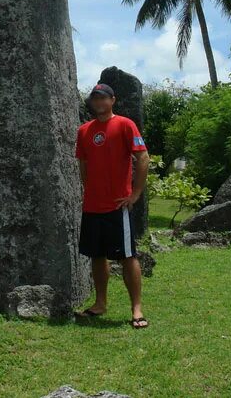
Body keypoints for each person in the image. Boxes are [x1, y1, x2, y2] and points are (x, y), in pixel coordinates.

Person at [73, 82, 150, 329]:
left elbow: (143, 157)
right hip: (93, 205)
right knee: (97, 256)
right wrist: (90, 188)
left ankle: (136, 309)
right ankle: (100, 303)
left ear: (112, 100)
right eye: (95, 98)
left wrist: (135, 193)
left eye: (103, 98)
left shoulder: (125, 124)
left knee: (128, 256)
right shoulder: (84, 130)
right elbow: (83, 163)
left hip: (118, 206)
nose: (99, 102)